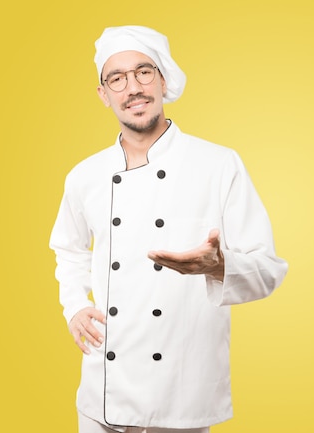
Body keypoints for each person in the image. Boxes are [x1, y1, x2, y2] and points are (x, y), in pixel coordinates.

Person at [49, 25, 288, 433]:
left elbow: (268, 268)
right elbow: (69, 250)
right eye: (117, 78)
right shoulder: (84, 176)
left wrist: (217, 267)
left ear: (163, 79)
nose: (133, 88)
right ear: (104, 94)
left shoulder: (218, 164)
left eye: (144, 72)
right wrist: (74, 305)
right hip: (100, 397)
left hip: (180, 398)